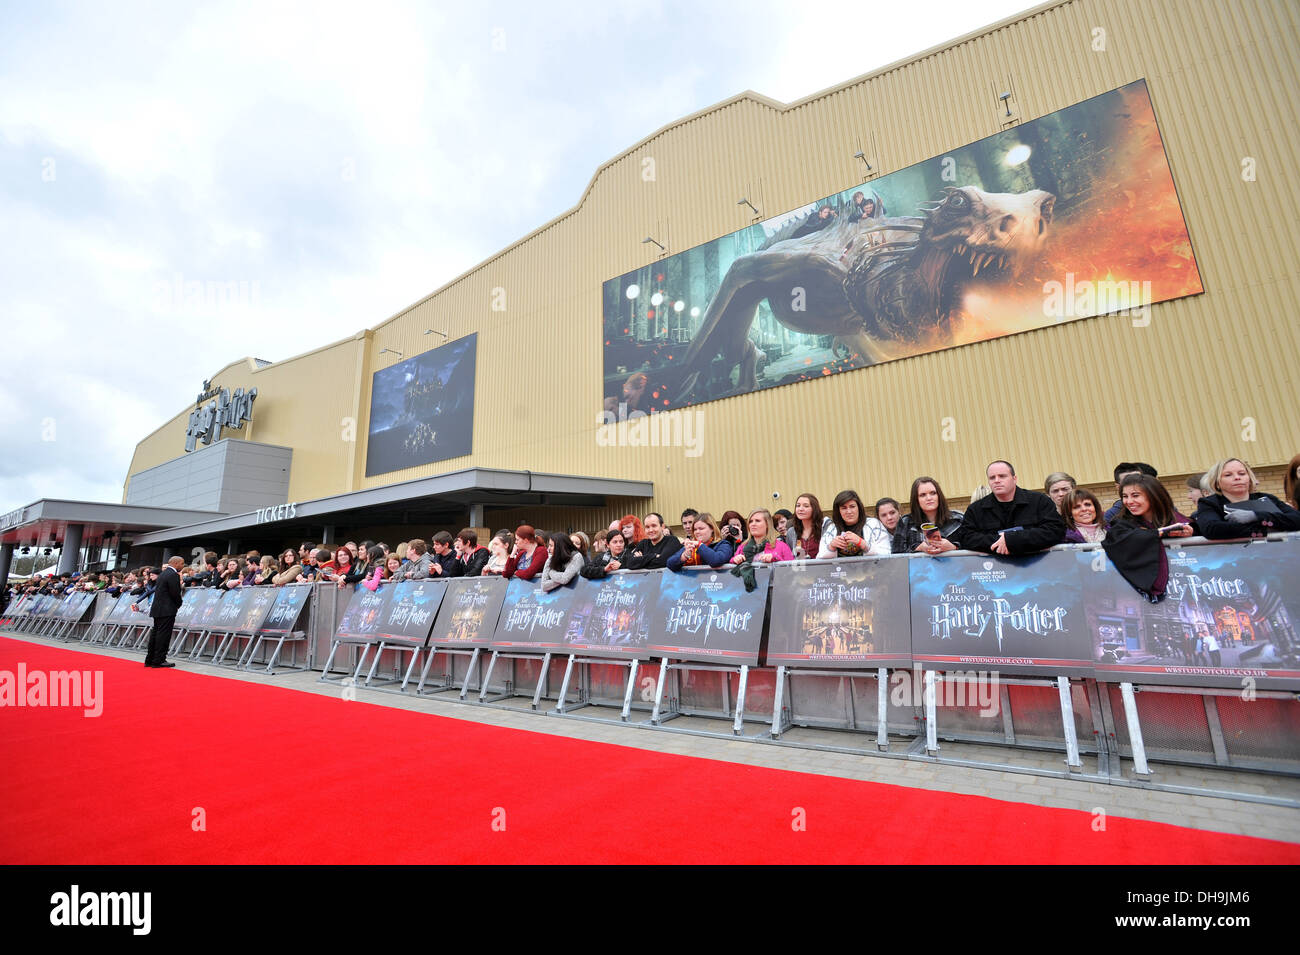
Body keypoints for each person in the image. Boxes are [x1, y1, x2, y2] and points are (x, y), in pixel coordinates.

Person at [1102, 473, 1194, 602]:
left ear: (1153, 495)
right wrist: (1159, 534)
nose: (1129, 501)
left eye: (1135, 495)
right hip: (1138, 596)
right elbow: (1119, 539)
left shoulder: (1176, 520)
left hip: (1183, 588)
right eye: (1125, 496)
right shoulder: (1121, 523)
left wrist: (1189, 533)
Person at [952, 461, 1065, 555]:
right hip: (995, 570)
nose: (996, 480)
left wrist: (1013, 540)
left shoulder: (1039, 501)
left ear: (1014, 478)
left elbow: (1054, 530)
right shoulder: (975, 510)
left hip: (1037, 566)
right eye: (992, 478)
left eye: (1002, 476)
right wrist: (999, 542)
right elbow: (967, 538)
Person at [1195, 458, 1300, 539]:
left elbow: (1296, 519)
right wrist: (1269, 529)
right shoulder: (1209, 503)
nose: (1237, 477)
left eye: (1242, 473)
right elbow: (1212, 529)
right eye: (1228, 475)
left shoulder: (1267, 498)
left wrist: (1256, 516)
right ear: (1217, 482)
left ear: (1249, 478)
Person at [893, 477, 964, 554]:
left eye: (933, 493)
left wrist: (954, 547)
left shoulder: (958, 519)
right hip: (919, 566)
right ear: (916, 499)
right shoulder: (905, 522)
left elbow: (973, 546)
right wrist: (918, 548)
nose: (929, 498)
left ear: (939, 495)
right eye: (922, 495)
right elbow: (896, 555)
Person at [818, 490, 891, 558]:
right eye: (844, 508)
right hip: (841, 571)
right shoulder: (831, 529)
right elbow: (820, 557)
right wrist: (831, 547)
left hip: (871, 570)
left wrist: (862, 543)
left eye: (852, 507)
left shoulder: (874, 524)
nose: (849, 511)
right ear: (838, 511)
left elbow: (886, 553)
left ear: (859, 507)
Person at [145, 556, 184, 668]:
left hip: (158, 608)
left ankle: (150, 659)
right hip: (167, 609)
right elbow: (175, 593)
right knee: (163, 635)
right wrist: (179, 604)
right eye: (182, 563)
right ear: (176, 563)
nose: (182, 566)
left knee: (156, 633)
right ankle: (159, 660)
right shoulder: (173, 575)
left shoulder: (163, 574)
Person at [667, 512, 734, 569]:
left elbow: (716, 561)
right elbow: (669, 564)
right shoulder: (691, 545)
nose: (697, 532)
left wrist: (700, 546)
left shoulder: (724, 544)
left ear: (712, 529)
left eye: (701, 528)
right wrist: (684, 556)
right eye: (695, 529)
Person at [729, 509, 794, 565]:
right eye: (750, 521)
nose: (753, 524)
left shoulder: (782, 546)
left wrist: (776, 559)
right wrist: (735, 560)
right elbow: (731, 572)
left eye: (757, 521)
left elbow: (791, 570)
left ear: (767, 524)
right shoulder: (742, 547)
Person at [783, 493, 831, 558]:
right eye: (798, 505)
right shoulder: (791, 532)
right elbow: (789, 557)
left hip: (823, 567)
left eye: (806, 506)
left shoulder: (825, 527)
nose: (800, 509)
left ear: (814, 509)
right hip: (801, 568)